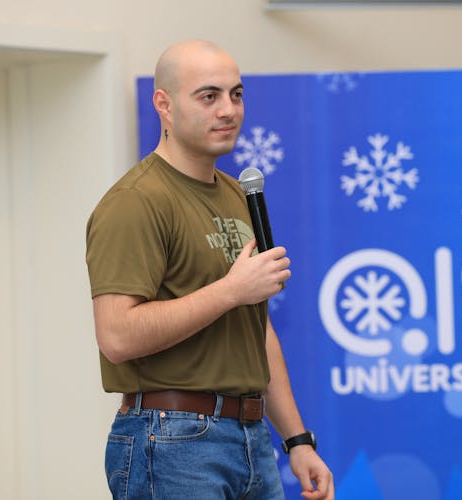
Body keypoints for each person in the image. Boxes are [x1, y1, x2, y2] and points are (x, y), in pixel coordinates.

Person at [86, 39, 334, 500]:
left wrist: (297, 440)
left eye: (236, 94)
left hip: (252, 438)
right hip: (173, 440)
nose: (229, 110)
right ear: (164, 104)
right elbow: (117, 337)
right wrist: (230, 291)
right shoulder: (135, 203)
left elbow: (253, 328)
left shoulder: (238, 195)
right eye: (209, 96)